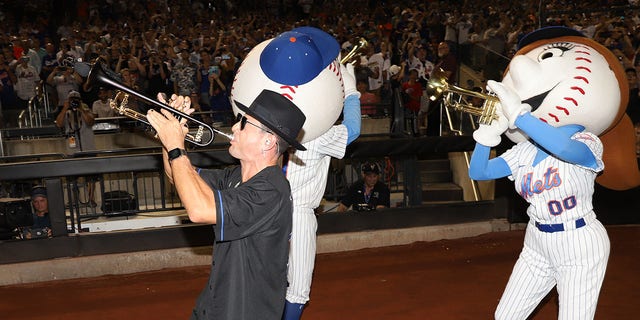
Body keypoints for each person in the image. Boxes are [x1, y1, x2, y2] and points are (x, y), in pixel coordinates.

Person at [469, 26, 623, 319]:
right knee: (505, 316)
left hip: (579, 240)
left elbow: (564, 150)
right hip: (536, 240)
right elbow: (480, 172)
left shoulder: (585, 140)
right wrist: (485, 138)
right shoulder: (525, 150)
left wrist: (520, 117)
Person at [146, 89, 306, 320]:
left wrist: (176, 146)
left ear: (268, 141)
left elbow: (200, 210)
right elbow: (177, 175)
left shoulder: (271, 190)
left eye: (243, 123)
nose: (233, 128)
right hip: (215, 305)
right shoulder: (235, 176)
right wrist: (168, 134)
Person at [282, 41, 361, 320]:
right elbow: (352, 130)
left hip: (268, 208)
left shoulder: (273, 119)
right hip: (298, 212)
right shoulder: (314, 131)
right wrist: (351, 91)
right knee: (297, 291)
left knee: (271, 281)